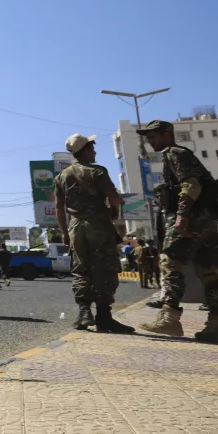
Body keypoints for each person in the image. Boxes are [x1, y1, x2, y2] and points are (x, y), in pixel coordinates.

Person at [136, 120, 218, 344]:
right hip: (207, 219)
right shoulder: (186, 155)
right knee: (208, 271)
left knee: (170, 261)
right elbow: (214, 193)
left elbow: (192, 186)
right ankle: (215, 325)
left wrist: (182, 214)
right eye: (147, 136)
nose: (150, 140)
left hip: (191, 219)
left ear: (167, 133)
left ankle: (170, 318)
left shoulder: (173, 153)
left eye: (154, 135)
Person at [54, 133, 134, 333]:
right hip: (98, 225)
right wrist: (115, 211)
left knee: (81, 269)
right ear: (87, 151)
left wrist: (65, 233)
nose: (95, 152)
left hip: (75, 227)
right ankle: (104, 317)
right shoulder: (98, 171)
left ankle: (84, 313)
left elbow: (58, 208)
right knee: (104, 268)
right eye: (93, 148)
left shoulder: (62, 176)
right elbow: (115, 199)